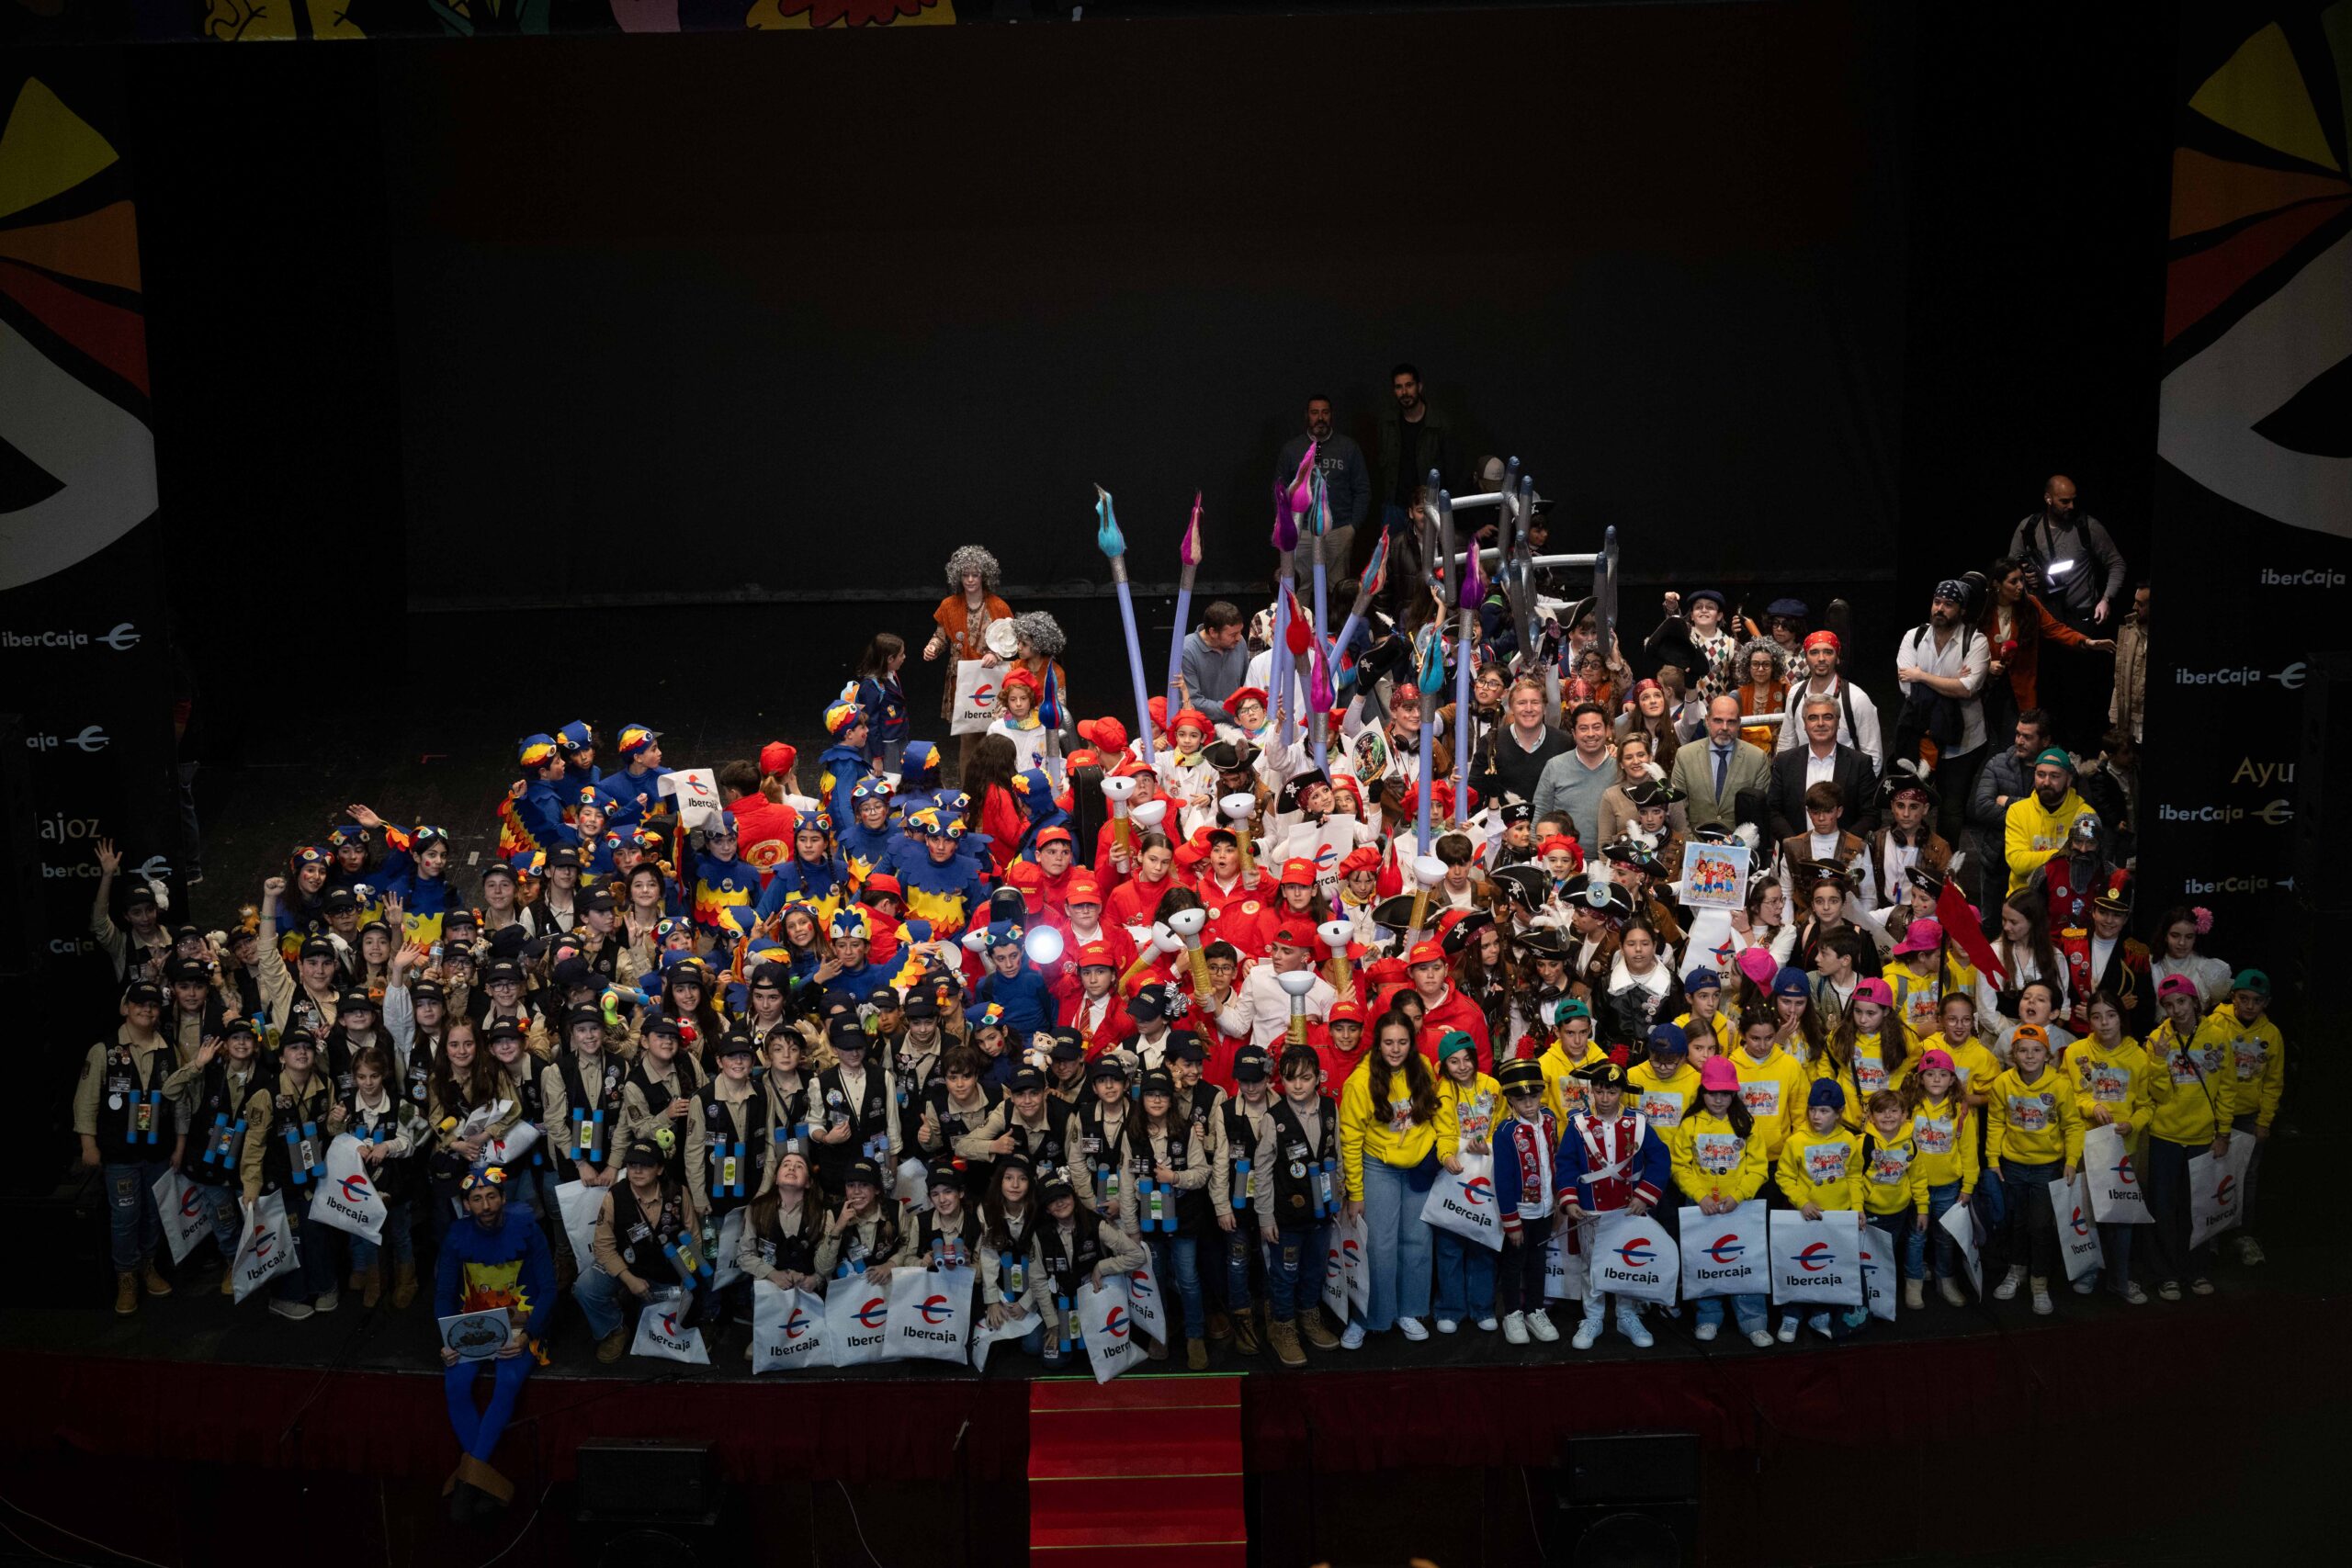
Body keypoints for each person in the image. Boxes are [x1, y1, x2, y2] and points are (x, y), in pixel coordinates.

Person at [435, 1168, 553, 1525]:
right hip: (471, 1324)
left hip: (521, 1326)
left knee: (508, 1382)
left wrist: (527, 1334)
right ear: (466, 1205)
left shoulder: (529, 1229)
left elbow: (549, 1290)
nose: (485, 1206)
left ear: (503, 1198)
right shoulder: (456, 1236)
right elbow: (443, 1293)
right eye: (477, 1199)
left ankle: (468, 1485)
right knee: (455, 1385)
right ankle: (484, 1483)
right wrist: (447, 1340)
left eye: (491, 1197)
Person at [75, 979, 181, 1314]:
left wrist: (179, 1145)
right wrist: (88, 1144)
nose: (146, 1009)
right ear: (125, 1007)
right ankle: (126, 1276)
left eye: (153, 1005)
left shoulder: (169, 1048)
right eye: (139, 1003)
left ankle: (148, 1266)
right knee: (125, 1216)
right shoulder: (103, 1050)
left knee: (153, 1213)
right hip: (119, 1151)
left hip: (158, 1150)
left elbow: (180, 1101)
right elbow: (86, 1101)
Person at [1337, 1010, 1440, 1348]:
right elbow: (1350, 1140)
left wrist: (1435, 1150)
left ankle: (1409, 1310)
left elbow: (1434, 1114)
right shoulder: (1360, 1082)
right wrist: (1355, 1192)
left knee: (1417, 1241)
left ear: (1412, 1043)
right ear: (1377, 1044)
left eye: (1402, 1042)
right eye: (1389, 1043)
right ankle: (1370, 1317)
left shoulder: (1423, 1068)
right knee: (1378, 1246)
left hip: (1417, 1166)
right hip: (1378, 1166)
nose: (1395, 1049)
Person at [1557, 1053, 1669, 1350]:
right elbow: (1565, 1163)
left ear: (1622, 1092)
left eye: (1611, 1092)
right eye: (1599, 1091)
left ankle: (1626, 1314)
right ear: (1591, 1091)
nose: (1605, 1098)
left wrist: (1644, 1196)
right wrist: (1569, 1198)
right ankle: (1593, 1317)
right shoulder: (1578, 1124)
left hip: (1628, 1209)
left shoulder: (1639, 1123)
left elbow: (1660, 1160)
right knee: (1591, 1264)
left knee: (1626, 1262)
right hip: (1590, 1208)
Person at [2140, 976, 2232, 1300]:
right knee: (2163, 1208)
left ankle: (2196, 1270)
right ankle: (2167, 1275)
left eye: (2181, 1001)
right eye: (2168, 1005)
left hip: (2202, 1137)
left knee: (2198, 1207)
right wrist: (2158, 1059)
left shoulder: (2218, 1036)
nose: (2176, 1010)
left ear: (2194, 1001)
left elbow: (2227, 1089)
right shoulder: (2156, 1039)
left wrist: (2223, 1132)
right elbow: (2159, 1095)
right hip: (2165, 1135)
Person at [582, 1134, 709, 1362]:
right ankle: (615, 1330)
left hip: (666, 1272)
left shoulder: (678, 1193)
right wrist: (629, 1279)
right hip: (626, 1268)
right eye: (632, 1165)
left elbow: (694, 1239)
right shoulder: (615, 1196)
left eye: (646, 1165)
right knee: (585, 1286)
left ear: (660, 1169)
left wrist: (688, 1275)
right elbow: (603, 1247)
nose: (637, 1171)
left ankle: (638, 1304)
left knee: (658, 1332)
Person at [1673, 1055, 1773, 1345]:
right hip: (1700, 1208)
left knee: (1745, 1261)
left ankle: (1753, 1320)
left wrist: (1739, 1196)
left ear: (1734, 1094)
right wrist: (1700, 1196)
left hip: (1740, 1207)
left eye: (1725, 1093)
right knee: (1704, 1261)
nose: (1718, 1099)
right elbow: (1679, 1167)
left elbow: (1759, 1168)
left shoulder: (1746, 1123)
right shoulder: (1690, 1124)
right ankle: (1708, 1316)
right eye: (1712, 1092)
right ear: (1702, 1091)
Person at [1984, 1023, 2082, 1316]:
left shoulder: (2059, 1084)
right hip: (2013, 1165)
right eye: (2023, 1050)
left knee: (2040, 1226)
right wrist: (1992, 1159)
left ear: (2047, 1055)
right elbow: (1995, 1122)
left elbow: (2073, 1125)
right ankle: (2017, 1270)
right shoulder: (2002, 1083)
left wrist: (2071, 1160)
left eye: (2036, 1050)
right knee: (2015, 1221)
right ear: (2013, 1054)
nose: (2029, 1056)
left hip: (2046, 1166)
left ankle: (2039, 1281)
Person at [2064, 989, 2150, 1303]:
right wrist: (2091, 1106)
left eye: (2111, 1015)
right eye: (2097, 1016)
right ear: (2089, 1021)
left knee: (2121, 1216)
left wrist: (2133, 1124)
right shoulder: (2075, 1052)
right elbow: (2068, 1095)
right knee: (2086, 1213)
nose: (2104, 1023)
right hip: (2087, 1146)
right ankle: (2088, 1270)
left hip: (2123, 1149)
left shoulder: (2138, 1056)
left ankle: (2120, 1278)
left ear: (2121, 1018)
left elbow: (2147, 1105)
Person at [2198, 969, 2283, 1269]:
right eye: (2244, 998)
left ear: (2266, 1003)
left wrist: (2265, 1121)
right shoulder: (2215, 1024)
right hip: (2215, 1113)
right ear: (2233, 997)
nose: (2249, 1006)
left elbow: (2273, 1082)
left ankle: (2243, 1235)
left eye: (2257, 1001)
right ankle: (2209, 1237)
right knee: (2211, 1173)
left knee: (2247, 1175)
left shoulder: (2272, 1034)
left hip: (2249, 1116)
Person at [1894, 581, 1990, 843]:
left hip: (1964, 743)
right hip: (1922, 735)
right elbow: (1907, 687)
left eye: (1948, 604)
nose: (1940, 608)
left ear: (1961, 610)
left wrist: (1922, 676)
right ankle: (1912, 854)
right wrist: (1952, 683)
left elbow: (1967, 689)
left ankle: (1945, 861)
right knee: (1913, 801)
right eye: (1937, 602)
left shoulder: (1975, 640)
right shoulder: (1914, 637)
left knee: (1951, 808)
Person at [1775, 1079, 1862, 1340]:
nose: (1816, 1116)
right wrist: (1802, 1201)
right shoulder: (1796, 1141)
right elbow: (1784, 1177)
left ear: (1839, 1112)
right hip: (1804, 1218)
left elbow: (1854, 1175)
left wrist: (1857, 1207)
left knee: (1826, 1267)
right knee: (1797, 1266)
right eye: (1812, 1109)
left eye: (1824, 1111)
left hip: (1837, 1218)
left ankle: (1820, 1313)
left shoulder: (1849, 1140)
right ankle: (1791, 1315)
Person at [1430, 1031, 1501, 1334]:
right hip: (1453, 1173)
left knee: (1483, 1242)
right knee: (1449, 1246)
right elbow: (1443, 1131)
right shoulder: (1442, 1091)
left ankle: (1482, 1307)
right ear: (1444, 1065)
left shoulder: (1492, 1086)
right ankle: (1450, 1308)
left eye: (1467, 1059)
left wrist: (1490, 1146)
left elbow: (1501, 1124)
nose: (1462, 1067)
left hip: (1487, 1172)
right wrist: (1446, 1155)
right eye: (1454, 1061)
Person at [924, 545, 1014, 782]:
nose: (971, 579)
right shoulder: (948, 605)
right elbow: (940, 636)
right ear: (958, 576)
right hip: (964, 678)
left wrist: (996, 654)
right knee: (968, 738)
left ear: (985, 576)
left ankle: (995, 788)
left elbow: (1012, 642)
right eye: (966, 575)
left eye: (976, 574)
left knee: (995, 734)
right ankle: (968, 791)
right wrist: (932, 647)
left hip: (992, 677)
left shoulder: (999, 606)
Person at [1899, 1046, 1978, 1305]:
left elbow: (1968, 1152)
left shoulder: (1960, 1112)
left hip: (1948, 1187)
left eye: (1943, 1075)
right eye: (1930, 1074)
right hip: (1916, 1187)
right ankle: (1913, 1282)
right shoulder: (1910, 1108)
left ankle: (1946, 1280)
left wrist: (1968, 1186)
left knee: (1945, 1238)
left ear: (1952, 1080)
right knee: (1916, 1236)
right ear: (1921, 1078)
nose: (1936, 1079)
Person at [2007, 474, 2125, 632]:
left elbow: (2117, 563)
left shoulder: (2088, 527)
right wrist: (2024, 576)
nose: (2071, 506)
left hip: (2079, 617)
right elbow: (2009, 567)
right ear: (2048, 499)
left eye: (2073, 500)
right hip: (2041, 617)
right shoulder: (2029, 527)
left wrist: (2106, 599)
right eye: (2064, 501)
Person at [1276, 394, 1370, 575]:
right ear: (1307, 416)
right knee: (1301, 586)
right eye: (1315, 412)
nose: (1320, 418)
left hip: (1339, 530)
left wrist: (1353, 526)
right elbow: (1280, 491)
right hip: (1301, 532)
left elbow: (1362, 489)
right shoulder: (1291, 450)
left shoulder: (1348, 448)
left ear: (1331, 415)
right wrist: (1286, 525)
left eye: (1325, 412)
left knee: (1338, 586)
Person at [1769, 697, 1881, 841]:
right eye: (1813, 718)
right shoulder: (1785, 762)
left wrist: (1844, 845)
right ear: (1804, 724)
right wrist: (1795, 844)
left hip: (1846, 852)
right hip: (1796, 851)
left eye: (1827, 717)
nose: (1820, 723)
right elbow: (1773, 811)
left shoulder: (1860, 763)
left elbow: (1871, 815)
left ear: (1838, 722)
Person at [1776, 630, 1883, 768]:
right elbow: (1786, 744)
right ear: (1806, 659)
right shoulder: (1795, 693)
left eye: (1828, 652)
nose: (1821, 658)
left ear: (1837, 658)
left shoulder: (1856, 698)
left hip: (1846, 779)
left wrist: (1861, 782)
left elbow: (1873, 756)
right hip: (1804, 778)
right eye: (1814, 652)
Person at [1374, 363, 1457, 535]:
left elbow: (1453, 470)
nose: (1404, 392)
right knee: (1392, 551)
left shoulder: (1440, 424)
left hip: (1429, 506)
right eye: (1399, 387)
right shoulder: (1387, 423)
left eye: (1409, 385)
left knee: (1432, 550)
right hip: (1394, 506)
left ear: (1419, 386)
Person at [1670, 696, 1771, 834]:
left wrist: (1737, 844)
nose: (1724, 727)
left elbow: (1760, 815)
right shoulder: (1685, 756)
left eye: (1731, 722)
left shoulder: (1757, 758)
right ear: (1707, 721)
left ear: (1739, 723)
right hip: (1694, 843)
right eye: (1718, 720)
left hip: (1741, 844)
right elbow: (1678, 811)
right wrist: (1692, 844)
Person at [2003, 747, 2095, 895]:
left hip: (2067, 897)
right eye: (2041, 775)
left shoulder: (2085, 815)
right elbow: (2018, 863)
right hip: (2024, 899)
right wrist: (2064, 854)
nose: (2046, 782)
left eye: (2054, 776)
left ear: (2068, 780)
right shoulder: (2018, 811)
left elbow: (2083, 864)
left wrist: (2036, 859)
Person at [1532, 702, 1619, 847]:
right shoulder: (1555, 766)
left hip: (1611, 858)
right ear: (1573, 733)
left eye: (1596, 727)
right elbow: (1539, 813)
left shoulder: (1620, 767)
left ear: (1607, 730)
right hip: (1563, 857)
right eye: (1583, 728)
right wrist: (1537, 853)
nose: (1591, 734)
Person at [1491, 675, 1572, 806]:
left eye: (1535, 702)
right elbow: (1476, 790)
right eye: (1522, 703)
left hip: (1551, 816)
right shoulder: (1492, 742)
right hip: (1503, 817)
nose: (1529, 709)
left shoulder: (1565, 743)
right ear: (1511, 708)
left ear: (1545, 707)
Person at [2108, 581, 2149, 745]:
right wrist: (2115, 716)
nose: (2134, 607)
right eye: (2135, 601)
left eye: (2140, 604)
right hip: (2130, 720)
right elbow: (2120, 677)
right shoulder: (2130, 630)